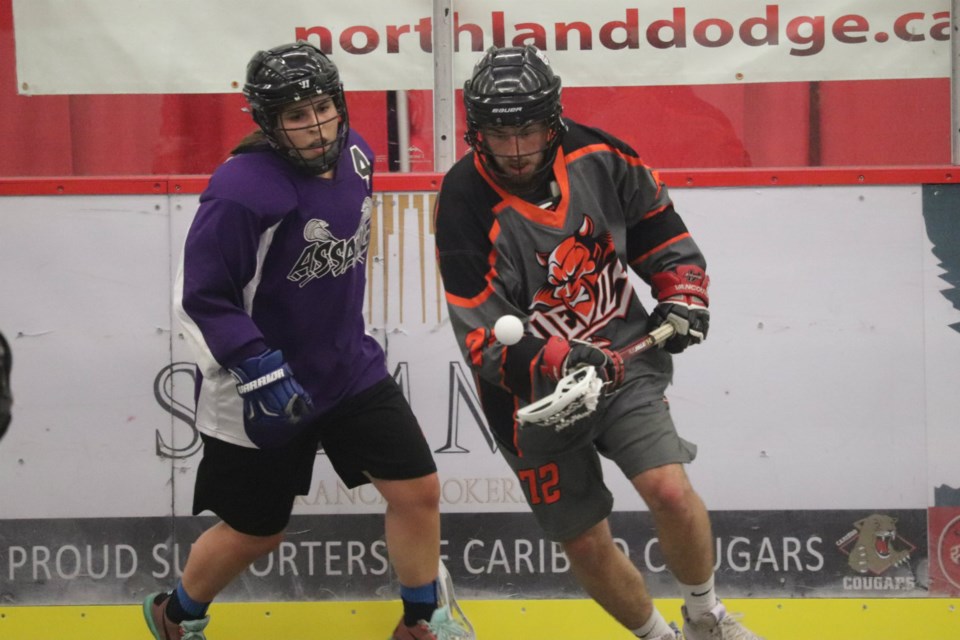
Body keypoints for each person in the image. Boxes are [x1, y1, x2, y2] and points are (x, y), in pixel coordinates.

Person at [144, 41, 472, 640]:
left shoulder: (358, 156)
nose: (315, 124)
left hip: (347, 368)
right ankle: (177, 613)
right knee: (257, 530)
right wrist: (256, 366)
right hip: (261, 383)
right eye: (296, 115)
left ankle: (422, 621)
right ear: (269, 122)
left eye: (323, 106)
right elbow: (200, 295)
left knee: (417, 489)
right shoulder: (241, 189)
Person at [434, 45, 763, 640]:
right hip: (532, 398)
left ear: (553, 119)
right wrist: (559, 357)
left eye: (528, 130)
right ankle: (657, 637)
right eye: (498, 134)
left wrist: (683, 292)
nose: (514, 150)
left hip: (622, 358)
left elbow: (660, 231)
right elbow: (482, 339)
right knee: (584, 539)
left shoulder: (600, 155)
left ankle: (705, 617)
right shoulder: (462, 203)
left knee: (668, 487)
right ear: (475, 131)